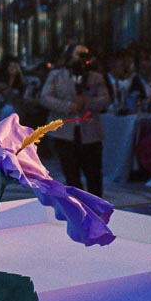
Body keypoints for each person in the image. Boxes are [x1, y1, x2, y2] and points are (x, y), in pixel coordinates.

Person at [40, 43, 109, 197]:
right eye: (79, 54)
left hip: (90, 133)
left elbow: (105, 100)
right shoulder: (56, 76)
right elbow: (45, 97)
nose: (83, 58)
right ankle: (77, 205)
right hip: (65, 133)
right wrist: (68, 106)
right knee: (71, 174)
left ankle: (96, 206)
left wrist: (87, 102)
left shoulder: (96, 77)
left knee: (94, 174)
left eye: (86, 55)